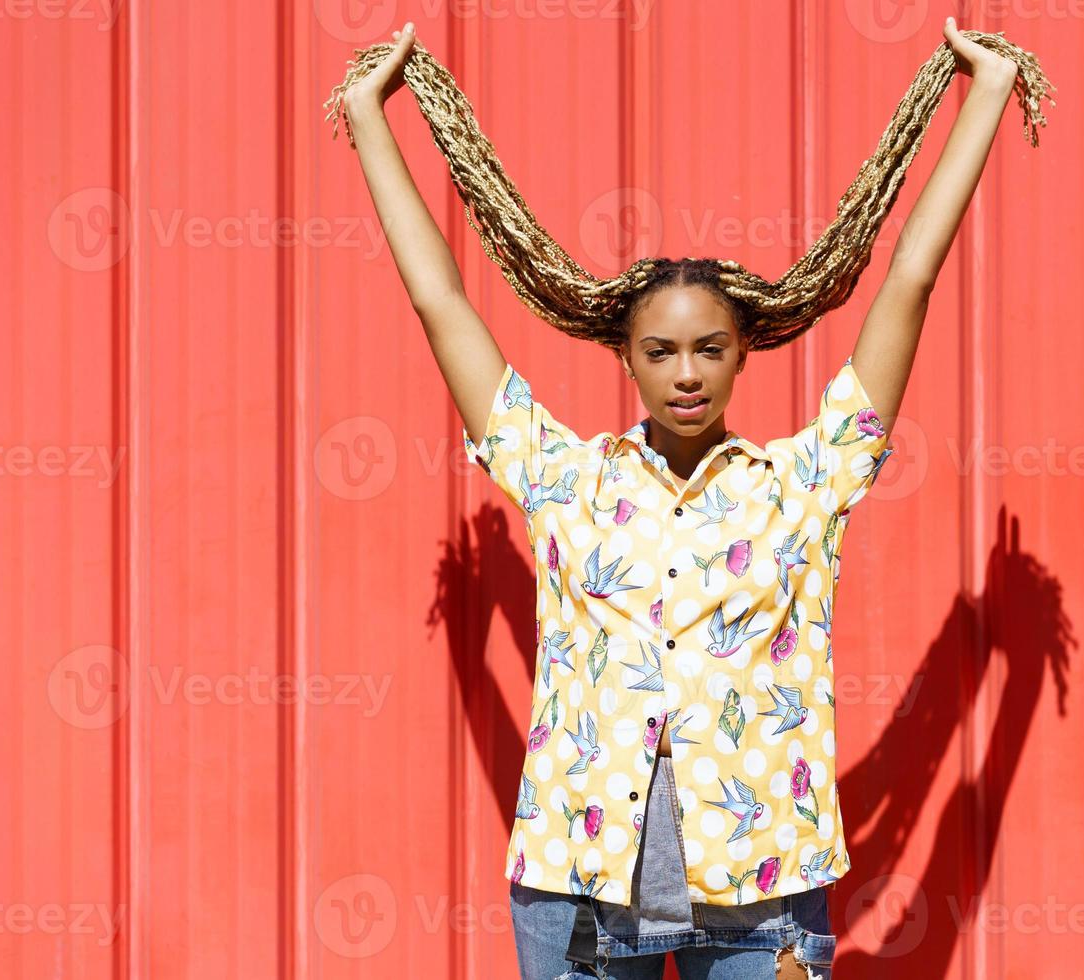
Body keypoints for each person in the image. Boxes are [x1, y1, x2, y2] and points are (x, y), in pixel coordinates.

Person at [337, 15, 1031, 979]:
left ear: (746, 351)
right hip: (579, 896)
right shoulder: (562, 478)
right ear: (623, 356)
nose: (686, 373)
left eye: (709, 348)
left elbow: (908, 277)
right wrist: (370, 114)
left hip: (761, 900)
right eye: (660, 352)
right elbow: (440, 301)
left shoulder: (803, 483)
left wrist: (988, 91)